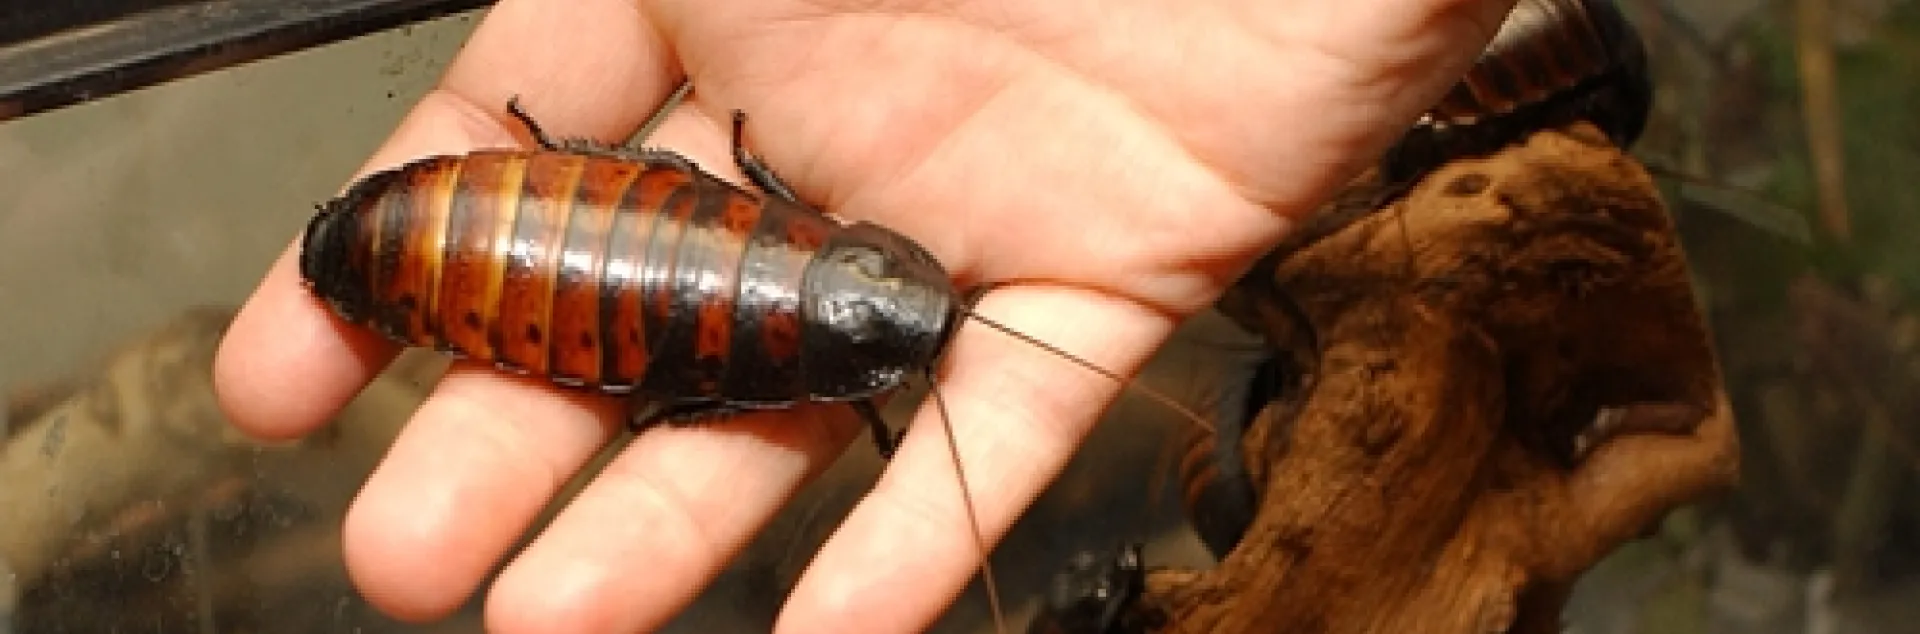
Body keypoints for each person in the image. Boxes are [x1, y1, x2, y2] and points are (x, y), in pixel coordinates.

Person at [212, 0, 1515, 631]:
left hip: (571, 225)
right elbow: (712, 353)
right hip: (506, 253)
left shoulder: (805, 243)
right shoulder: (801, 355)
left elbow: (700, 190)